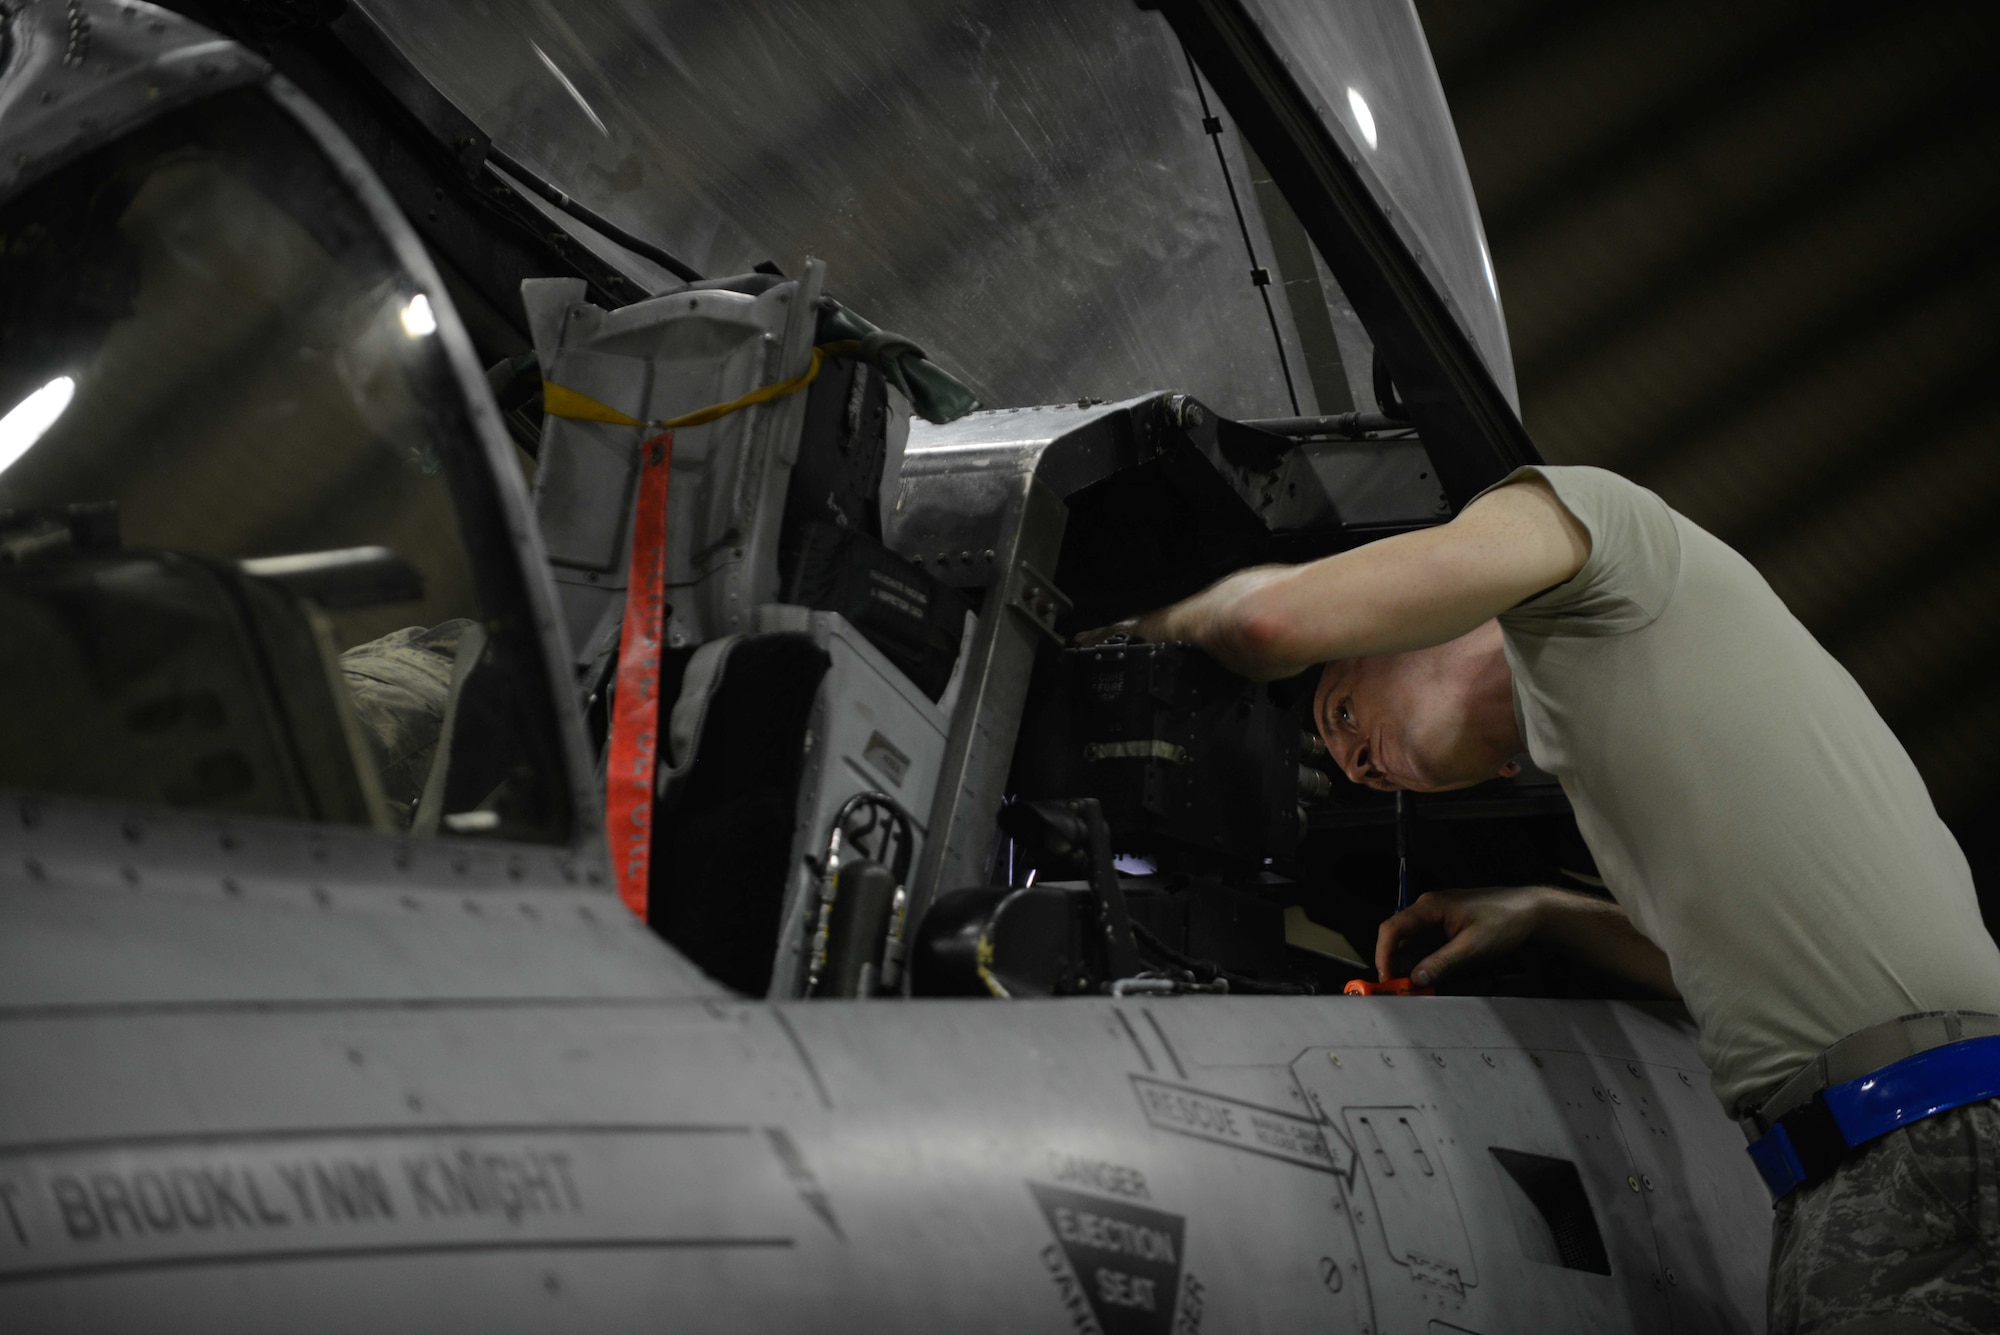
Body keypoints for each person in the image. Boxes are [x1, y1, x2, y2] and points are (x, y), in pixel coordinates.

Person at [1093, 463, 2000, 1331]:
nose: (1354, 762)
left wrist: (1118, 633)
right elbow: (1745, 980)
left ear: (1416, 612)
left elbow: (1266, 626)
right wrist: (1546, 911)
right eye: (1356, 770)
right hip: (1868, 1159)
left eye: (1340, 712)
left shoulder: (1600, 526)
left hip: (1927, 1136)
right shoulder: (1603, 736)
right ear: (1500, 769)